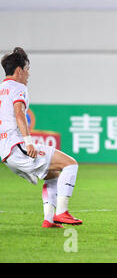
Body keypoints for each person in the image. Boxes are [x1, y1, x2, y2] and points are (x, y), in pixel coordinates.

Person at [0, 47, 83, 228]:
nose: (28, 74)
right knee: (71, 164)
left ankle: (49, 219)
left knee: (53, 175)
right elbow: (20, 114)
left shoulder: (1, 90)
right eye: (27, 69)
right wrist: (28, 143)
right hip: (18, 147)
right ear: (19, 70)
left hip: (6, 154)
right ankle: (62, 212)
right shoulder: (18, 87)